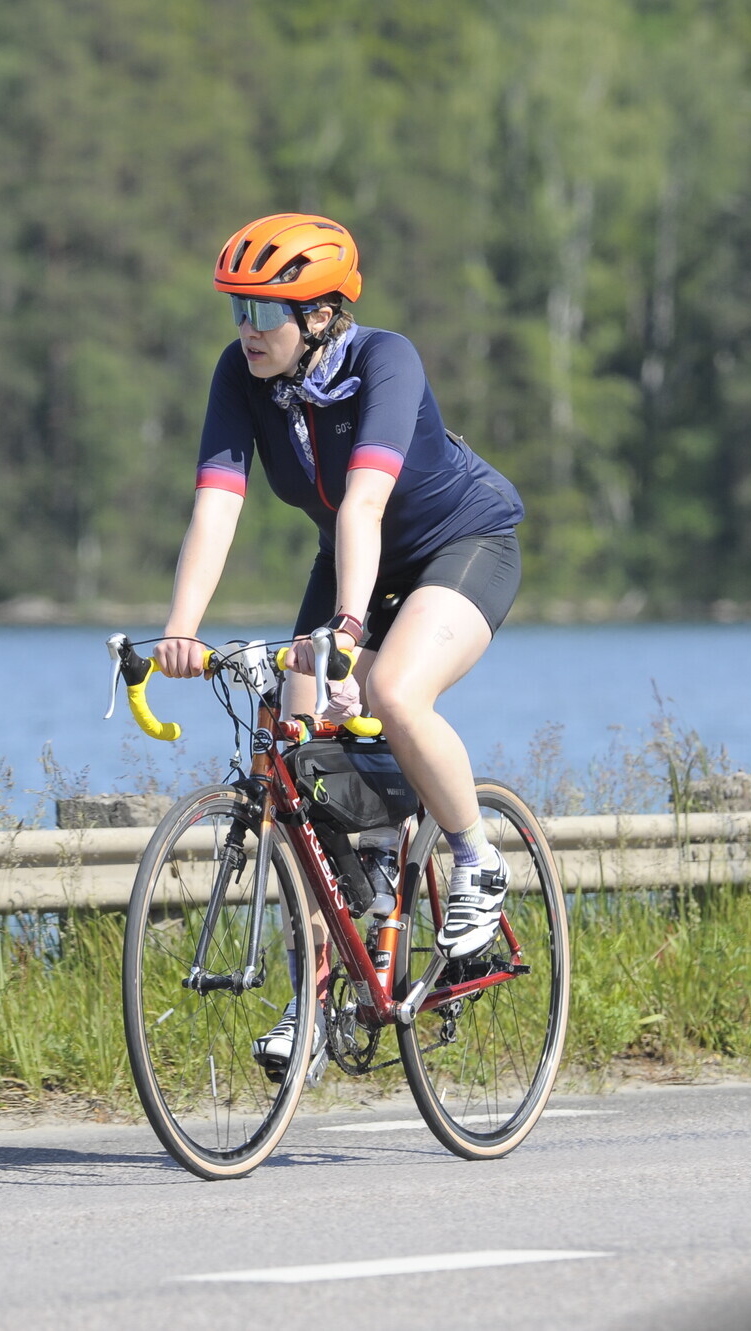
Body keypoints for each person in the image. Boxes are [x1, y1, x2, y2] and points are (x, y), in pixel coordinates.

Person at [153, 213, 525, 1071]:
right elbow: (216, 504)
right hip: (352, 559)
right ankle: (314, 995)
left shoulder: (385, 360)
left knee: (393, 690)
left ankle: (476, 858)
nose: (246, 329)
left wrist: (350, 631)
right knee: (296, 750)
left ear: (321, 313)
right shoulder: (240, 374)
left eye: (264, 312)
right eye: (237, 310)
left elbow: (363, 503)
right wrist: (181, 629)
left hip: (459, 543)